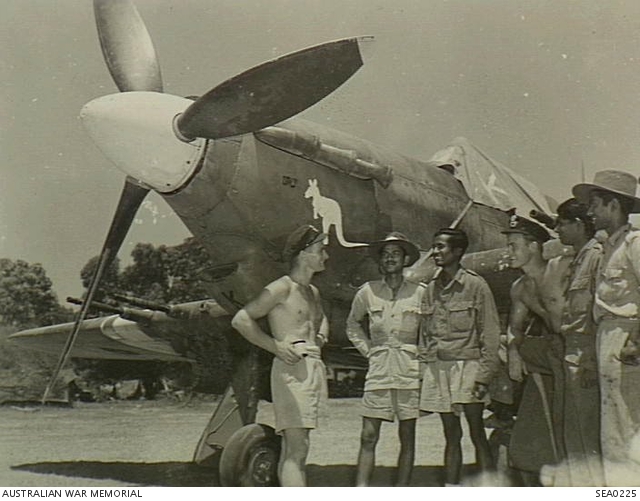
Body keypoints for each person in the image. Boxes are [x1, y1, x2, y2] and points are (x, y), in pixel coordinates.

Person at [231, 224, 329, 487]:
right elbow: (241, 319)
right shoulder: (281, 288)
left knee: (293, 447)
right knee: (298, 449)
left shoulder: (312, 292)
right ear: (305, 253)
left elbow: (320, 322)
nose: (326, 256)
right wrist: (276, 346)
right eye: (322, 249)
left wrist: (318, 339)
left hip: (311, 369)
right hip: (292, 371)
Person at [573, 170, 640, 485]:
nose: (590, 212)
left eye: (595, 204)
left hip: (626, 341)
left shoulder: (634, 244)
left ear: (613, 205)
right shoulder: (606, 248)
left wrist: (636, 343)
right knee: (611, 422)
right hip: (607, 338)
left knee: (627, 422)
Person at [419, 228, 500, 486]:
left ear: (458, 252)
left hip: (469, 367)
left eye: (441, 247)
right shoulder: (430, 288)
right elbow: (425, 334)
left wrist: (484, 376)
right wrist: (425, 370)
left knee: (476, 432)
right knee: (450, 434)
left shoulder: (476, 285)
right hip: (440, 367)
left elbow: (490, 333)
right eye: (434, 246)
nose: (435, 252)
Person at [346, 232, 425, 486]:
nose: (390, 258)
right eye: (386, 254)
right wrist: (368, 351)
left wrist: (422, 359)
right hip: (379, 371)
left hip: (409, 372)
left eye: (396, 254)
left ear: (405, 260)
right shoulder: (367, 292)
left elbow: (431, 329)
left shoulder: (420, 293)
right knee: (368, 436)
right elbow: (353, 325)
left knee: (408, 436)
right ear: (380, 261)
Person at [503, 212, 568, 485]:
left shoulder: (562, 270)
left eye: (513, 245)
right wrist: (513, 353)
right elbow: (514, 329)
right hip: (554, 353)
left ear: (533, 247)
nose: (508, 252)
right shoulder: (520, 287)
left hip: (579, 354)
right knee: (529, 444)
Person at [554, 198, 604, 486]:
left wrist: (590, 359)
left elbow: (598, 310)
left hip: (585, 353)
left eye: (562, 223)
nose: (557, 229)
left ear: (578, 224)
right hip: (572, 351)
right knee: (575, 433)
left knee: (588, 432)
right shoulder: (579, 258)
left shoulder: (596, 256)